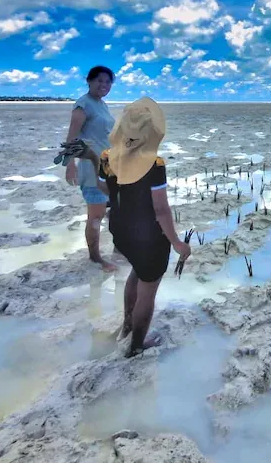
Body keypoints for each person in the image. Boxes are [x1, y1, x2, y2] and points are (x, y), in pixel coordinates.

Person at [75, 97, 191, 358]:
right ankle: (136, 345)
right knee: (148, 289)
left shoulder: (108, 156)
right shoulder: (154, 163)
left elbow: (105, 189)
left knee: (137, 274)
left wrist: (93, 159)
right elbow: (161, 210)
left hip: (120, 230)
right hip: (149, 237)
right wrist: (177, 243)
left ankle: (127, 324)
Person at [65, 66, 116, 272]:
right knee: (96, 215)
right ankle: (95, 258)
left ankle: (119, 250)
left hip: (109, 166)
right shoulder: (83, 105)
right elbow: (71, 138)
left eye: (108, 82)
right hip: (90, 167)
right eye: (99, 81)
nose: (104, 85)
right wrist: (70, 165)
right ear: (89, 81)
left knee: (115, 211)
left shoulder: (102, 104)